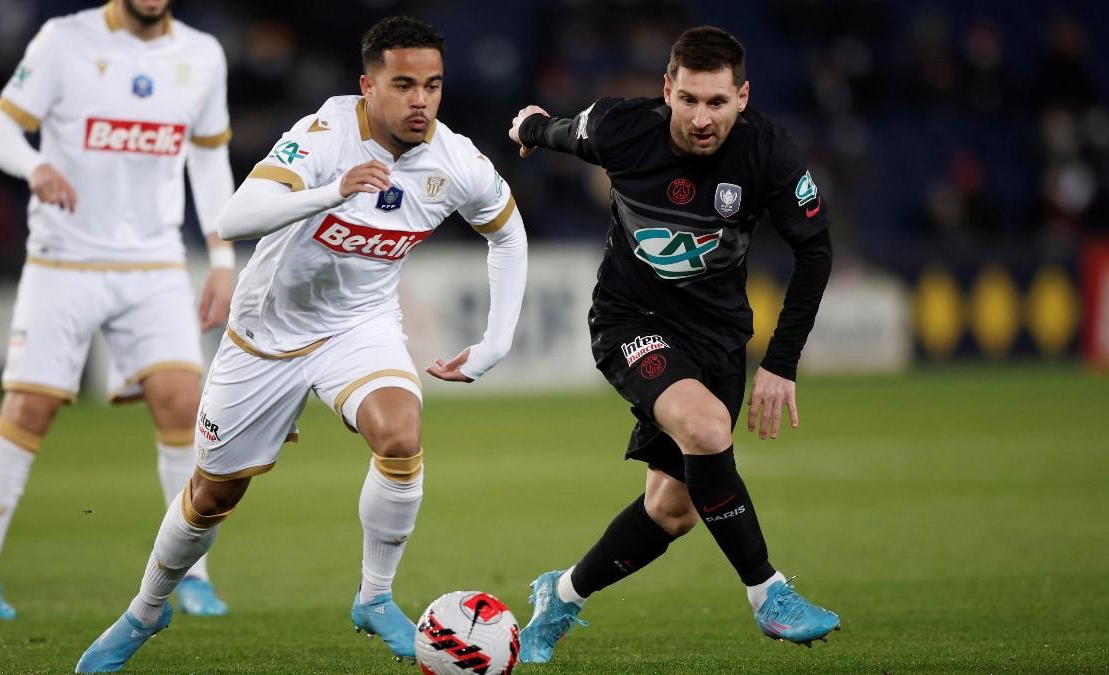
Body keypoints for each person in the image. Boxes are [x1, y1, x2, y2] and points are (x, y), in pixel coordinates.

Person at [75, 15, 528, 672]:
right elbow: (233, 219)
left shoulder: (454, 159)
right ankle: (147, 608)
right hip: (266, 334)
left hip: (359, 325)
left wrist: (496, 339)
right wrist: (330, 191)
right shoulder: (322, 135)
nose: (420, 100)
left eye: (432, 84)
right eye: (403, 84)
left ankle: (374, 596)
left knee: (401, 434)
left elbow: (508, 234)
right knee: (212, 496)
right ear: (367, 87)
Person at [507, 25, 840, 662]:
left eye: (717, 102)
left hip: (716, 337)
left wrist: (780, 363)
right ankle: (768, 592)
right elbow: (557, 131)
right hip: (629, 319)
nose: (701, 117)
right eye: (688, 99)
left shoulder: (768, 152)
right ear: (667, 89)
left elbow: (815, 251)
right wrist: (530, 126)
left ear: (743, 97)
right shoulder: (620, 129)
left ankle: (563, 595)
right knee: (708, 428)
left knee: (673, 509)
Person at [0, 0, 236, 620]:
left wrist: (222, 256)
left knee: (185, 403)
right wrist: (35, 165)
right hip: (64, 257)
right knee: (30, 406)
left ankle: (192, 576)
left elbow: (208, 158)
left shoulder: (201, 54)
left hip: (155, 260)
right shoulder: (63, 40)